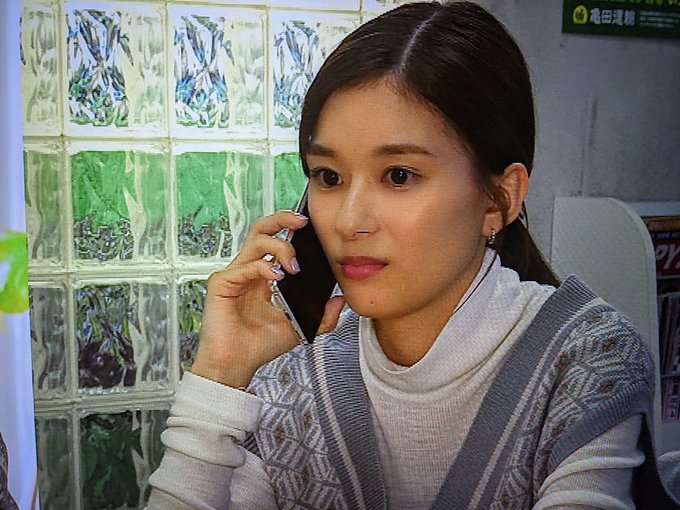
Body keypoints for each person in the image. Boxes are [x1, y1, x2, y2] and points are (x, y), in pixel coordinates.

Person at [148, 2, 679, 508]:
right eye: (328, 176)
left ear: (499, 199)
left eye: (398, 176)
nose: (349, 221)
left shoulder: (586, 360)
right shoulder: (295, 370)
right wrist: (221, 373)